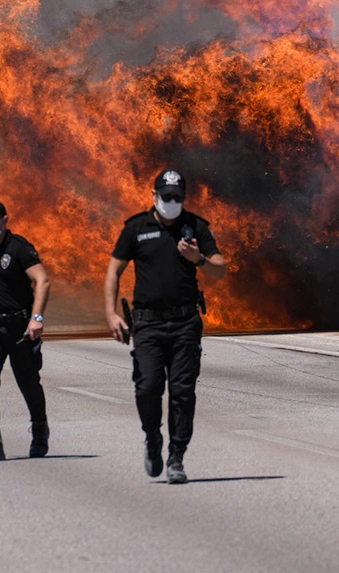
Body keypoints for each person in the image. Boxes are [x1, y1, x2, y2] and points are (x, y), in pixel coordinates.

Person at [104, 169, 227, 484]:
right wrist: (110, 313)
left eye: (177, 197)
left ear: (183, 198)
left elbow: (220, 270)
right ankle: (152, 436)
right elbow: (114, 270)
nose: (171, 201)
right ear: (154, 195)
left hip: (185, 323)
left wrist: (198, 258)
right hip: (147, 325)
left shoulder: (195, 227)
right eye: (166, 196)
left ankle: (176, 456)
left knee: (183, 393)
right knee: (147, 388)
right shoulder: (136, 228)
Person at [0, 197, 50, 461]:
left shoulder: (19, 248)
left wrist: (36, 318)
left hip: (19, 326)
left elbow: (42, 281)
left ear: (5, 221)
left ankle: (39, 429)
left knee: (28, 382)